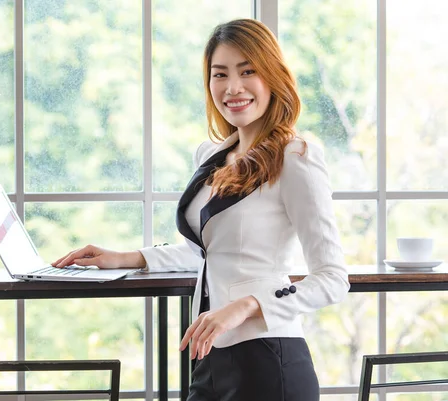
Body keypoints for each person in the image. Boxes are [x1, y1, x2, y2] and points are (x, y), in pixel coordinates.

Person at [53, 18, 350, 401]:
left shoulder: (296, 158)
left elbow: (332, 278)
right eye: (219, 74)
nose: (233, 87)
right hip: (209, 356)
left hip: (268, 359)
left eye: (248, 71)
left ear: (273, 77)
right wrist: (125, 258)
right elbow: (209, 252)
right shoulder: (212, 156)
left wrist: (245, 306)